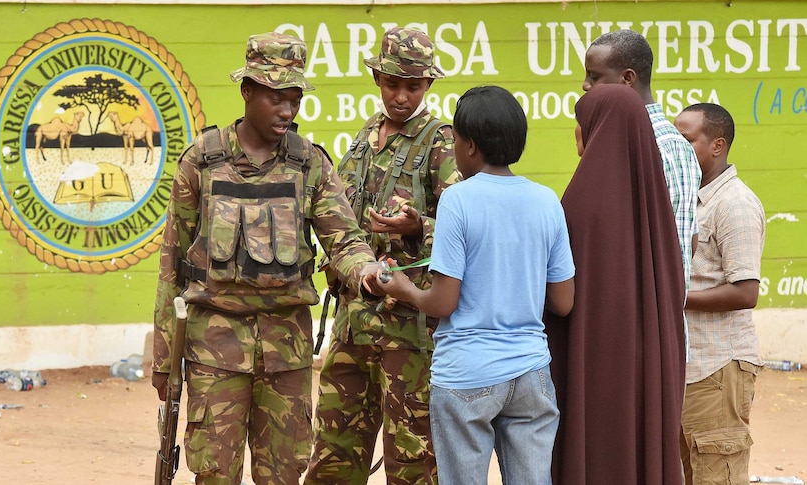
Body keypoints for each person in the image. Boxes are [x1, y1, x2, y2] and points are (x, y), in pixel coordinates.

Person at [151, 32, 379, 485]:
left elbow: (345, 240)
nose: (287, 111)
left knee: (284, 475)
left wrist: (367, 270)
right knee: (215, 475)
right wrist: (163, 357)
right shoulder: (202, 160)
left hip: (286, 352)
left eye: (295, 99)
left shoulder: (309, 163)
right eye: (277, 98)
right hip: (213, 349)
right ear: (248, 92)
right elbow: (173, 262)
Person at [371, 85, 575, 485]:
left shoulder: (458, 200)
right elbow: (564, 302)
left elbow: (444, 302)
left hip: (467, 372)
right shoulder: (547, 200)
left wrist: (402, 289)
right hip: (531, 372)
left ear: (470, 146)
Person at [305, 27, 459, 485]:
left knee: (411, 460)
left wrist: (418, 227)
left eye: (413, 86)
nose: (401, 96)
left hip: (409, 331)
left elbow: (464, 228)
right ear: (377, 79)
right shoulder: (362, 140)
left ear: (428, 85)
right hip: (353, 323)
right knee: (333, 453)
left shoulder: (440, 142)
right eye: (393, 84)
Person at [544, 84, 687, 485]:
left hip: (593, 367)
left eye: (580, 124)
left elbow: (560, 296)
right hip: (648, 369)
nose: (576, 133)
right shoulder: (656, 205)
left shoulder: (580, 202)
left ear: (596, 128)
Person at [674, 103, 765, 485]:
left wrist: (673, 298)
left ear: (717, 145)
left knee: (715, 475)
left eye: (686, 141)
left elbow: (746, 292)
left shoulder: (735, 204)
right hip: (691, 369)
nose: (677, 149)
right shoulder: (688, 199)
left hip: (719, 369)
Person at [582, 29, 702, 292]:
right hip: (670, 317)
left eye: (595, 76)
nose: (585, 86)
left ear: (627, 78)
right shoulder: (681, 145)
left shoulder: (633, 144)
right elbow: (690, 239)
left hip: (637, 315)